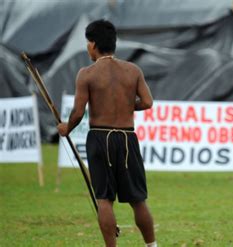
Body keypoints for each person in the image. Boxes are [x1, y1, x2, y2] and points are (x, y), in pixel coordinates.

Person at [57, 19, 156, 247]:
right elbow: (148, 102)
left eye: (87, 43)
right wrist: (126, 105)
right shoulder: (133, 70)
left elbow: (78, 112)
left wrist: (66, 128)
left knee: (104, 199)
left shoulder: (86, 73)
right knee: (138, 200)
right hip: (127, 138)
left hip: (100, 138)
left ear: (92, 44)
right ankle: (153, 245)